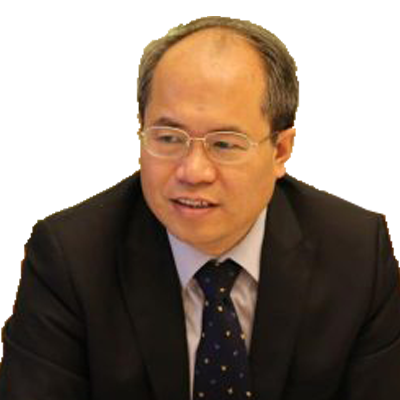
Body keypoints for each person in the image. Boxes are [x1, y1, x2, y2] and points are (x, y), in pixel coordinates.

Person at [1, 17, 400, 400]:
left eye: (224, 144)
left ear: (280, 152)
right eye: (169, 138)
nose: (193, 172)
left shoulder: (355, 254)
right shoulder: (72, 258)